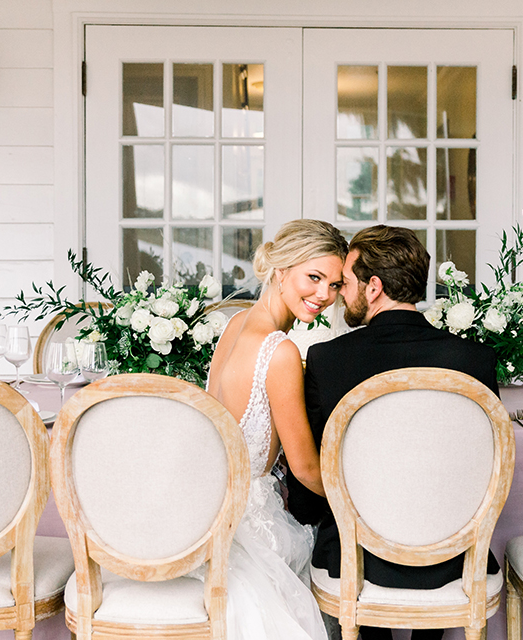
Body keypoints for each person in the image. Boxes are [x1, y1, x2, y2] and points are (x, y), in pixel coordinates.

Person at [288, 225, 501, 640]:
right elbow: (487, 470)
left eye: (346, 283)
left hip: (356, 557)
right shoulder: (475, 359)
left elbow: (314, 474)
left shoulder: (328, 359)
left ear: (373, 288)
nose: (339, 295)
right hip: (454, 556)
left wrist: (304, 520)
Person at [206, 219, 348, 640]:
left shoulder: (236, 324)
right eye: (314, 277)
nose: (324, 295)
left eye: (336, 285)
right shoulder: (279, 350)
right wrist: (364, 503)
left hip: (215, 506)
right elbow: (304, 468)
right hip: (250, 524)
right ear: (281, 269)